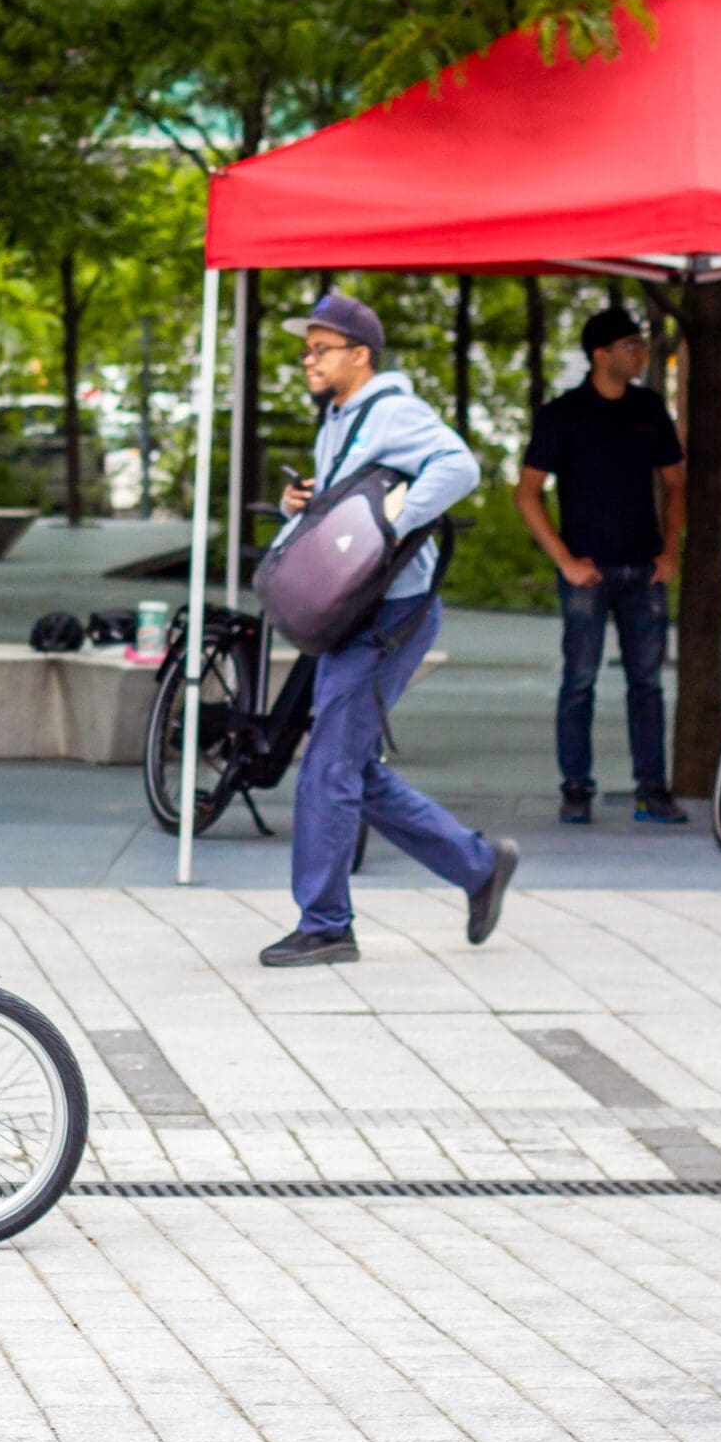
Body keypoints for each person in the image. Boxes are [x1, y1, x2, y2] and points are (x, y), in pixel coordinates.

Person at [257, 294, 521, 969]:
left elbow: (458, 467)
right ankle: (478, 864)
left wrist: (392, 524)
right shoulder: (342, 417)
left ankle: (325, 924)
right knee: (351, 767)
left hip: (388, 613)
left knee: (329, 766)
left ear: (360, 354)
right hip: (359, 607)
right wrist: (307, 503)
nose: (308, 359)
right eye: (307, 348)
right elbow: (356, 494)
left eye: (320, 349)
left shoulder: (394, 410)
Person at [513, 306, 689, 826]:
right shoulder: (562, 414)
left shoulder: (650, 409)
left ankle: (652, 790)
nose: (641, 353)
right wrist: (564, 561)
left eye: (641, 344)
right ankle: (575, 789)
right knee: (579, 682)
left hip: (644, 570)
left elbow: (677, 483)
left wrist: (670, 551)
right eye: (630, 345)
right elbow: (526, 494)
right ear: (600, 355)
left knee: (648, 685)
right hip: (586, 574)